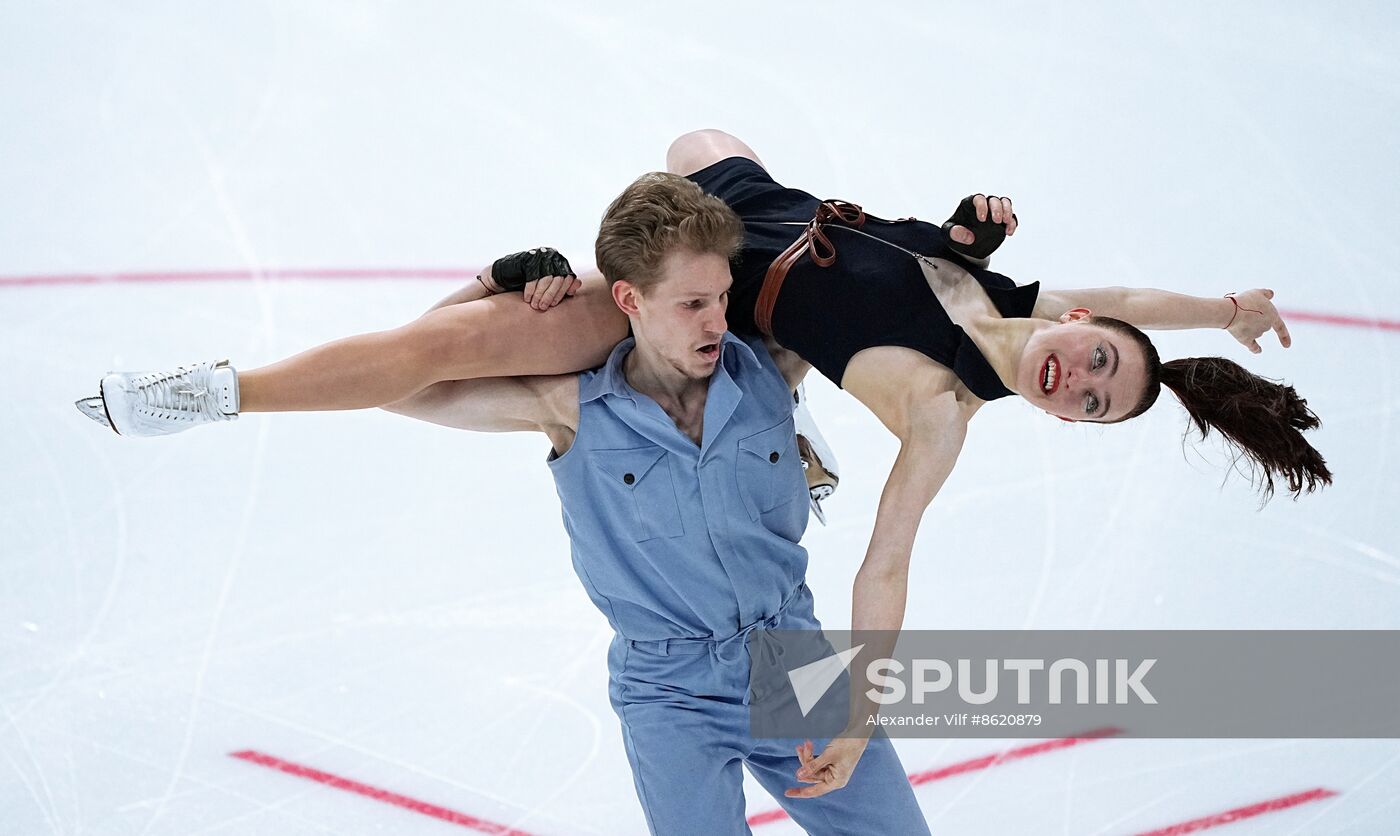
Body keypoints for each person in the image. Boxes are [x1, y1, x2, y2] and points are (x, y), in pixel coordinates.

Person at [75, 129, 1330, 782]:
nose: (1084, 378)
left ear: (1063, 423)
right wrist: (1223, 310)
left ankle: (213, 393)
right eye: (1100, 358)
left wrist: (863, 695)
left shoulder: (942, 412)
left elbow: (885, 565)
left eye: (1093, 404)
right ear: (1078, 322)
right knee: (688, 135)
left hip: (715, 293)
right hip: (751, 208)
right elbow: (1138, 297)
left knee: (458, 347)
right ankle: (776, 405)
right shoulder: (1002, 277)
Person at [384, 172, 931, 832]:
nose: (717, 321)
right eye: (691, 303)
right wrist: (487, 286)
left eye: (723, 297)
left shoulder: (770, 365)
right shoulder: (571, 410)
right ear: (629, 299)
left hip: (795, 662)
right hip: (670, 692)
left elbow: (893, 305)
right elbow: (401, 381)